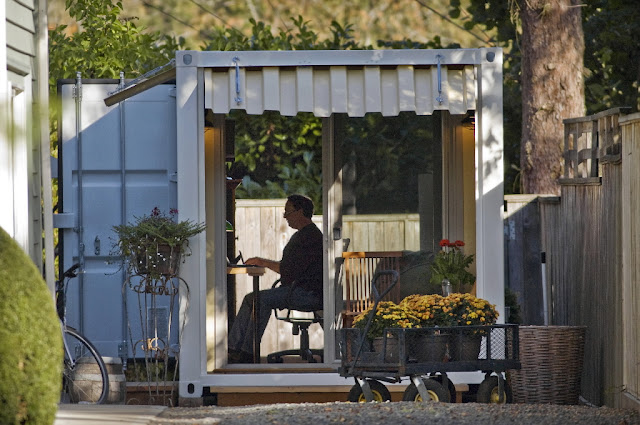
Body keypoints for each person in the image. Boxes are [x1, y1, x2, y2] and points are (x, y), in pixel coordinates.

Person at [228, 194, 323, 363]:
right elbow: (291, 269)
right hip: (301, 290)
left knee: (258, 299)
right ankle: (238, 350)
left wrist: (261, 261)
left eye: (288, 212)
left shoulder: (308, 238)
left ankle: (245, 353)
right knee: (253, 299)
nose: (285, 217)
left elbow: (288, 270)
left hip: (306, 294)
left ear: (300, 212)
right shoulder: (306, 235)